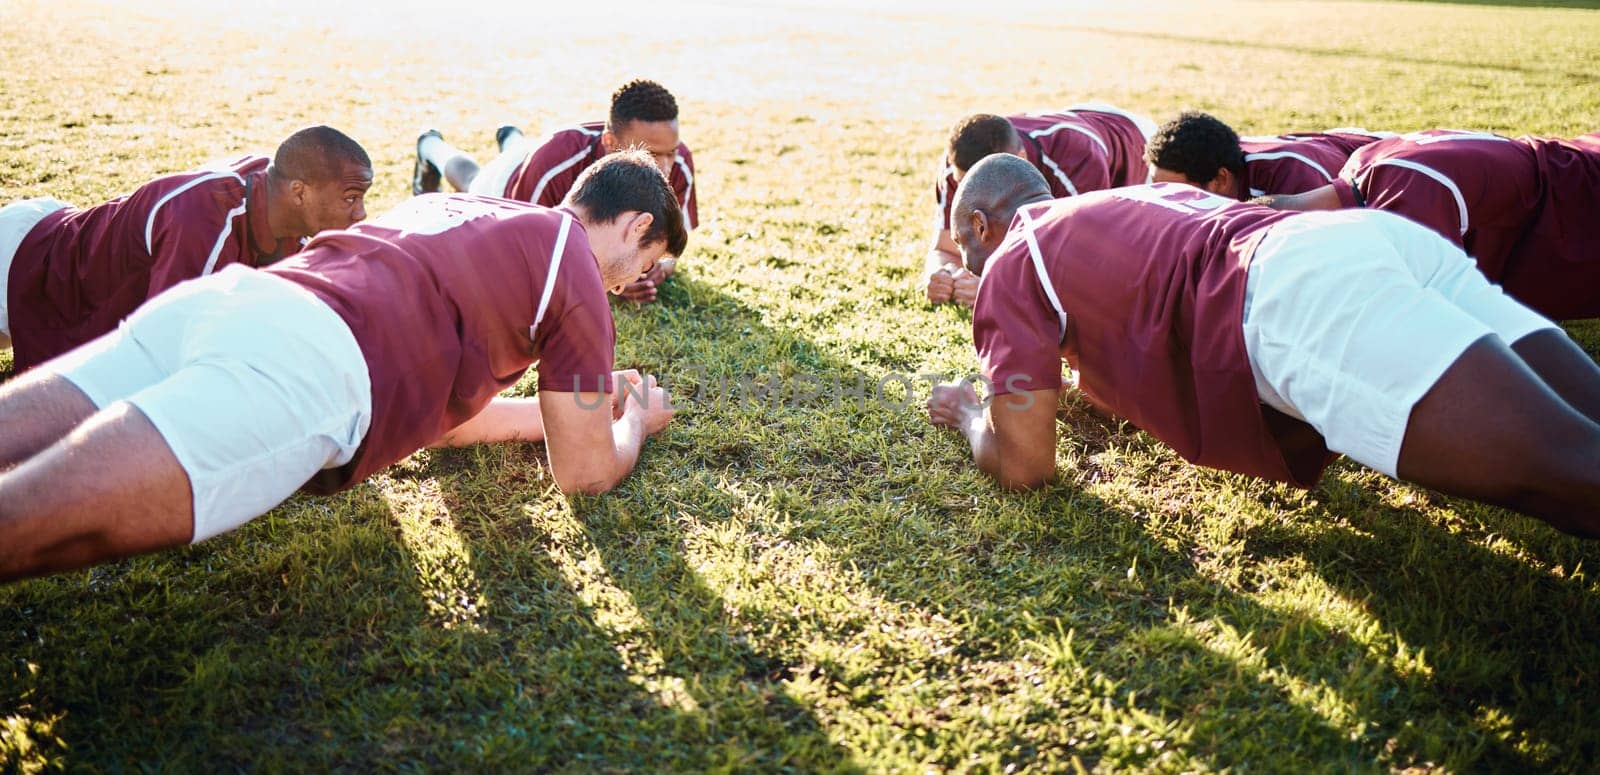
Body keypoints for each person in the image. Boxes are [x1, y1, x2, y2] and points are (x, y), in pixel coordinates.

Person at [0, 151, 685, 584]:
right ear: (633, 225)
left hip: (231, 300)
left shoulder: (461, 210)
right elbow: (586, 472)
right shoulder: (577, 275)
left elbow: (447, 422)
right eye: (645, 262)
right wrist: (634, 425)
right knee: (25, 524)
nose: (633, 282)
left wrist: (555, 417)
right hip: (313, 366)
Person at [926, 154, 1600, 537]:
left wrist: (965, 409)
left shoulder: (1012, 258)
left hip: (1295, 295)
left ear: (982, 225)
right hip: (1369, 241)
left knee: (1568, 469)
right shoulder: (1105, 207)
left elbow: (1024, 463)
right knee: (1580, 443)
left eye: (968, 250)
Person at [0, 126, 372, 371]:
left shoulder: (289, 214)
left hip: (53, 258)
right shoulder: (202, 221)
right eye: (350, 198)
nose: (362, 214)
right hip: (24, 259)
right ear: (299, 192)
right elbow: (167, 355)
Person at [1265, 129, 1600, 320]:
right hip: (1569, 166)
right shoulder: (1362, 168)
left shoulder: (1405, 194)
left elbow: (1441, 324)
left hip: (1580, 196)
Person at [413, 78, 696, 304]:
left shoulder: (678, 161)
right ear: (609, 141)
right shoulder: (554, 164)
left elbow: (672, 243)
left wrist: (656, 268)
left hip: (534, 157)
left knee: (516, 151)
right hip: (513, 181)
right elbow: (536, 263)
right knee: (472, 179)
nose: (662, 165)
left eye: (670, 151)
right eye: (648, 152)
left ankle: (511, 136)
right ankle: (430, 146)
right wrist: (610, 280)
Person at [923, 104, 1155, 307]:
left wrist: (994, 286)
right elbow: (944, 249)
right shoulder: (957, 165)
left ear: (1021, 158)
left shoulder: (1077, 159)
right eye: (964, 183)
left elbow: (1077, 267)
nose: (971, 193)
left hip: (1133, 138)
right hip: (1068, 121)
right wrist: (940, 275)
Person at [1144, 110, 1390, 199]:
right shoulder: (1211, 158)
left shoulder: (1292, 181)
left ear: (1220, 180)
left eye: (1176, 193)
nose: (1163, 200)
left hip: (1389, 157)